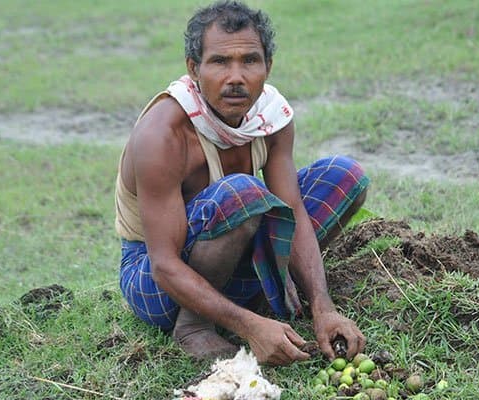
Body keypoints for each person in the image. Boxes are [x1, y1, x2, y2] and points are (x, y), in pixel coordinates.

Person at [114, 0, 370, 365]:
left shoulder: (271, 117)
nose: (236, 77)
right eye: (219, 62)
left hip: (236, 248)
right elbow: (164, 265)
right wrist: (250, 327)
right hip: (156, 283)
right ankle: (195, 326)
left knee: (345, 176)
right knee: (243, 193)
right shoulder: (163, 134)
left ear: (267, 66)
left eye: (249, 60)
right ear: (194, 69)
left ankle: (264, 291)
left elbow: (292, 209)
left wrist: (323, 308)